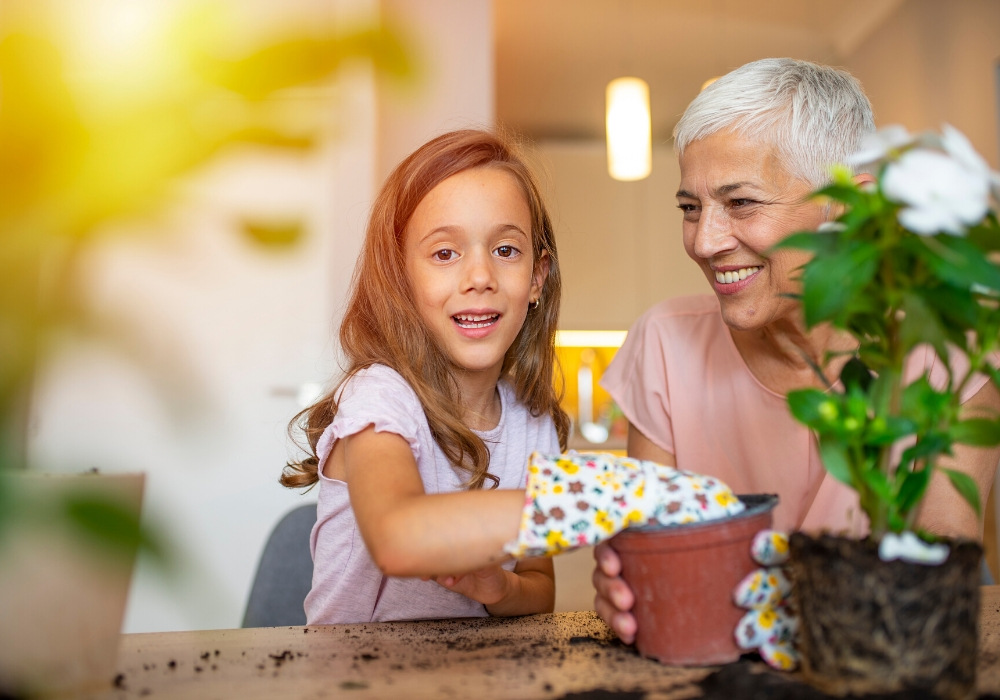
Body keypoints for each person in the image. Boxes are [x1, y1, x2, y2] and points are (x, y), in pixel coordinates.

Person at [592, 57, 1000, 643]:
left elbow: (942, 546)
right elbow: (651, 548)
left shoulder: (949, 346)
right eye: (690, 208)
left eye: (742, 203)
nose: (704, 242)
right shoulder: (663, 344)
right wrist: (630, 584)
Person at [280, 128, 570, 624]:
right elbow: (398, 537)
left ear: (537, 279)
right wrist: (593, 501)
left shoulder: (534, 423)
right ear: (401, 278)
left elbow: (539, 589)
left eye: (505, 251)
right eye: (444, 253)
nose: (479, 277)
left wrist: (498, 586)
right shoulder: (381, 397)